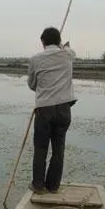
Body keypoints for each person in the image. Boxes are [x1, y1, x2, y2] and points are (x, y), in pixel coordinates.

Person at [26, 27, 77, 195]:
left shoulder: (35, 59)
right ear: (59, 41)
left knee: (41, 148)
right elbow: (69, 49)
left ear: (43, 42)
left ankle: (38, 186)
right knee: (58, 148)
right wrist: (63, 46)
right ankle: (53, 186)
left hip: (44, 108)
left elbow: (32, 84)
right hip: (64, 109)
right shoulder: (68, 54)